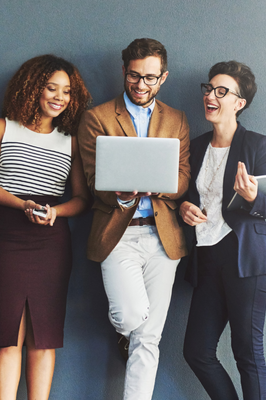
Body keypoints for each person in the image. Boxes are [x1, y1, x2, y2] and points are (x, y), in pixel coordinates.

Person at [0, 54, 92, 400]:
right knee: (7, 333)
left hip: (50, 240)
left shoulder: (70, 140)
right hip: (4, 235)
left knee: (45, 336)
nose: (59, 97)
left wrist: (55, 212)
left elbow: (82, 200)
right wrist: (21, 203)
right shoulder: (2, 127)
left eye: (67, 91)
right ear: (32, 89)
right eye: (51, 88)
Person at [77, 38, 190, 399]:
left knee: (149, 339)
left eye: (150, 78)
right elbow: (94, 180)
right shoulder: (97, 117)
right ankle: (125, 330)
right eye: (134, 76)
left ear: (164, 77)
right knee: (130, 318)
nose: (141, 86)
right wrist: (122, 194)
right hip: (118, 232)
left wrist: (158, 186)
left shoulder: (177, 119)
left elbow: (183, 177)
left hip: (163, 236)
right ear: (124, 72)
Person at [179, 61, 266, 400]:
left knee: (248, 353)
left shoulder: (258, 145)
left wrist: (254, 197)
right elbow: (183, 194)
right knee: (196, 351)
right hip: (207, 258)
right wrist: (183, 207)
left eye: (222, 91)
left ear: (239, 103)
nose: (211, 96)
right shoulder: (194, 147)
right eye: (209, 89)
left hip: (247, 260)